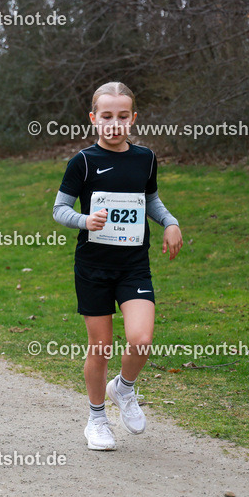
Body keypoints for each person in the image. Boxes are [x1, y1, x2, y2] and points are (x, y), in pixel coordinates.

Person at [52, 82, 183, 452]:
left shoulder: (146, 158)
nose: (114, 124)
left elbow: (151, 199)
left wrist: (169, 222)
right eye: (106, 116)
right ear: (94, 119)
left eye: (122, 116)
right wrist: (84, 221)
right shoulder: (83, 161)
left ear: (133, 118)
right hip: (93, 267)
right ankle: (96, 419)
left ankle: (123, 389)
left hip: (133, 266)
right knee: (101, 346)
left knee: (141, 339)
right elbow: (59, 209)